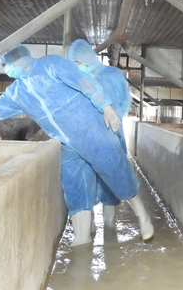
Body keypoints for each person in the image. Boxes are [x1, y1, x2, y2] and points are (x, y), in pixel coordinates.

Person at [0, 45, 153, 246]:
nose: (6, 69)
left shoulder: (51, 64)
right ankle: (82, 237)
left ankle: (143, 218)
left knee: (116, 172)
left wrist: (106, 106)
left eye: (6, 64)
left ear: (20, 59)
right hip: (67, 142)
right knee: (75, 187)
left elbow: (84, 82)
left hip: (92, 131)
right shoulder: (17, 91)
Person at [68, 39, 131, 229]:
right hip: (86, 140)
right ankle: (91, 227)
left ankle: (109, 225)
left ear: (88, 57)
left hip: (111, 136)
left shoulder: (113, 74)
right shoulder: (79, 79)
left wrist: (109, 118)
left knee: (111, 185)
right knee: (88, 181)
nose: (77, 66)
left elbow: (124, 102)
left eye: (78, 61)